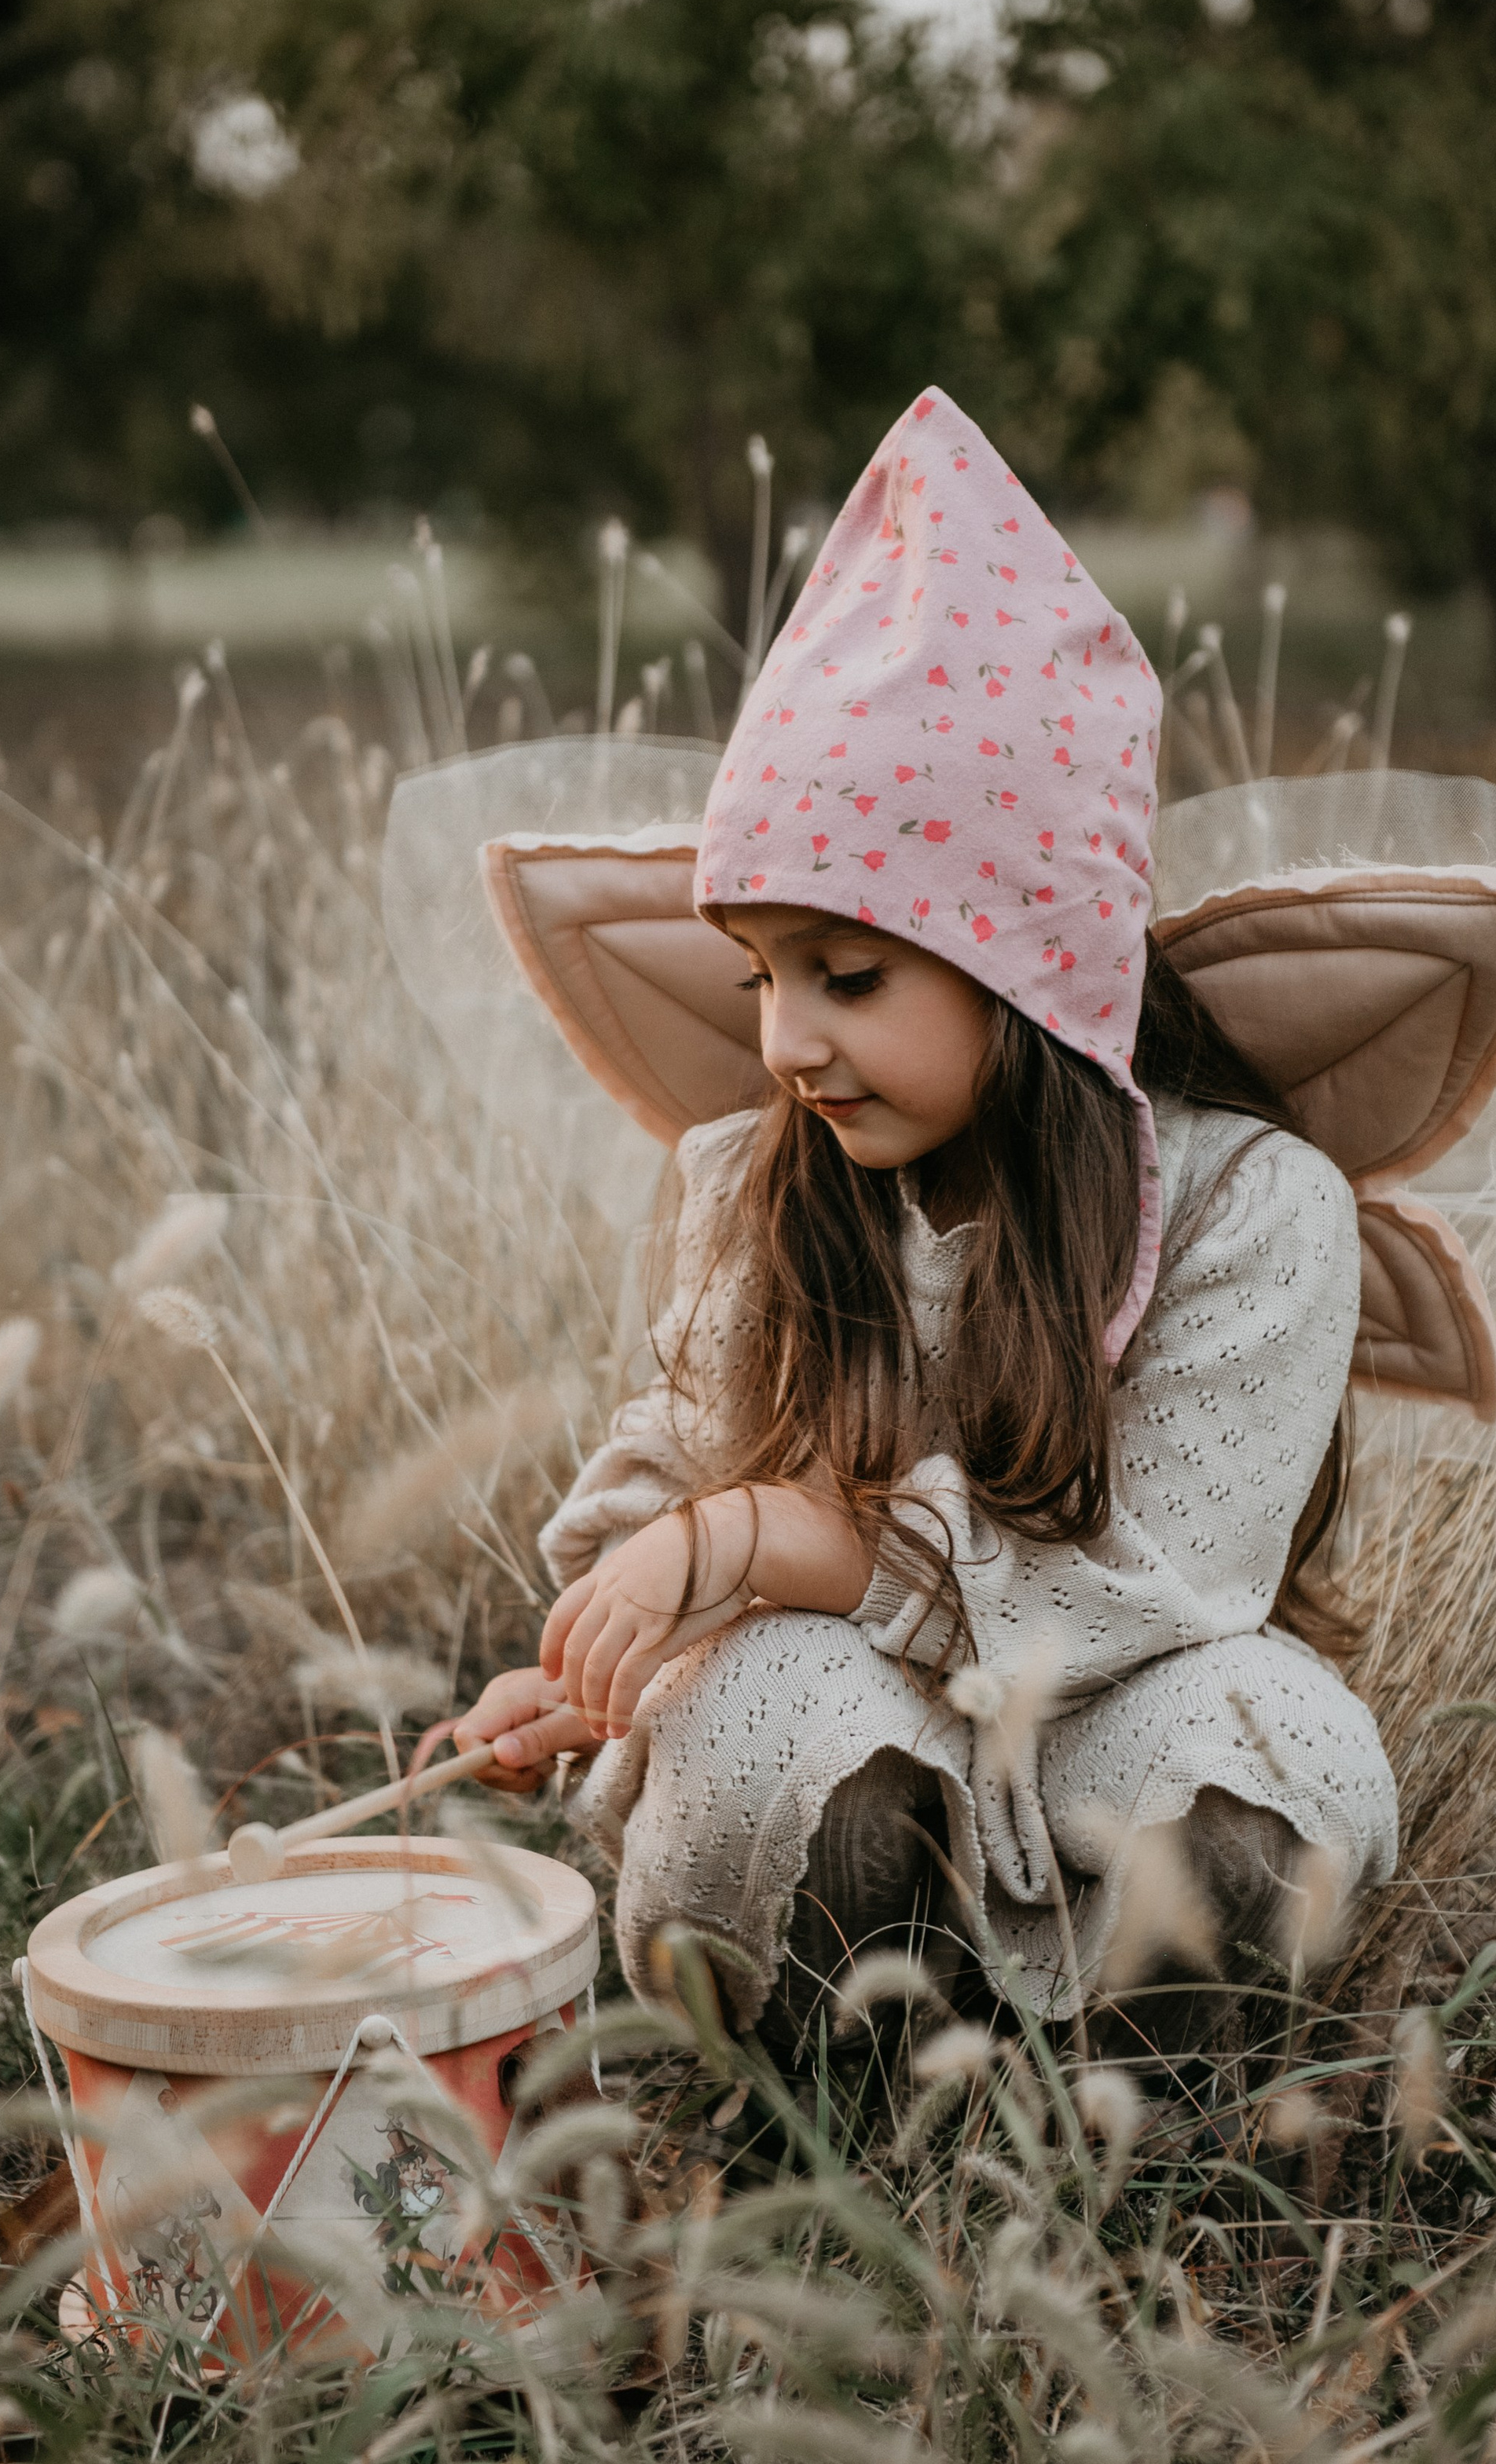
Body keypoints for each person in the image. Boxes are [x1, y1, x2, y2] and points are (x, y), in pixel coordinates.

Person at [450, 388, 1398, 2064]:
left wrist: (767, 1539)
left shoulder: (1254, 1211)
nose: (783, 1042)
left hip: (1114, 1734)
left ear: (1032, 965)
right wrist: (617, 1646)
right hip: (861, 1758)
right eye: (758, 978)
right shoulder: (768, 1185)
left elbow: (1149, 1580)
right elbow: (682, 1463)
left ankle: (1134, 2107)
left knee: (1276, 1743)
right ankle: (825, 2087)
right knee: (759, 1707)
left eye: (846, 974)